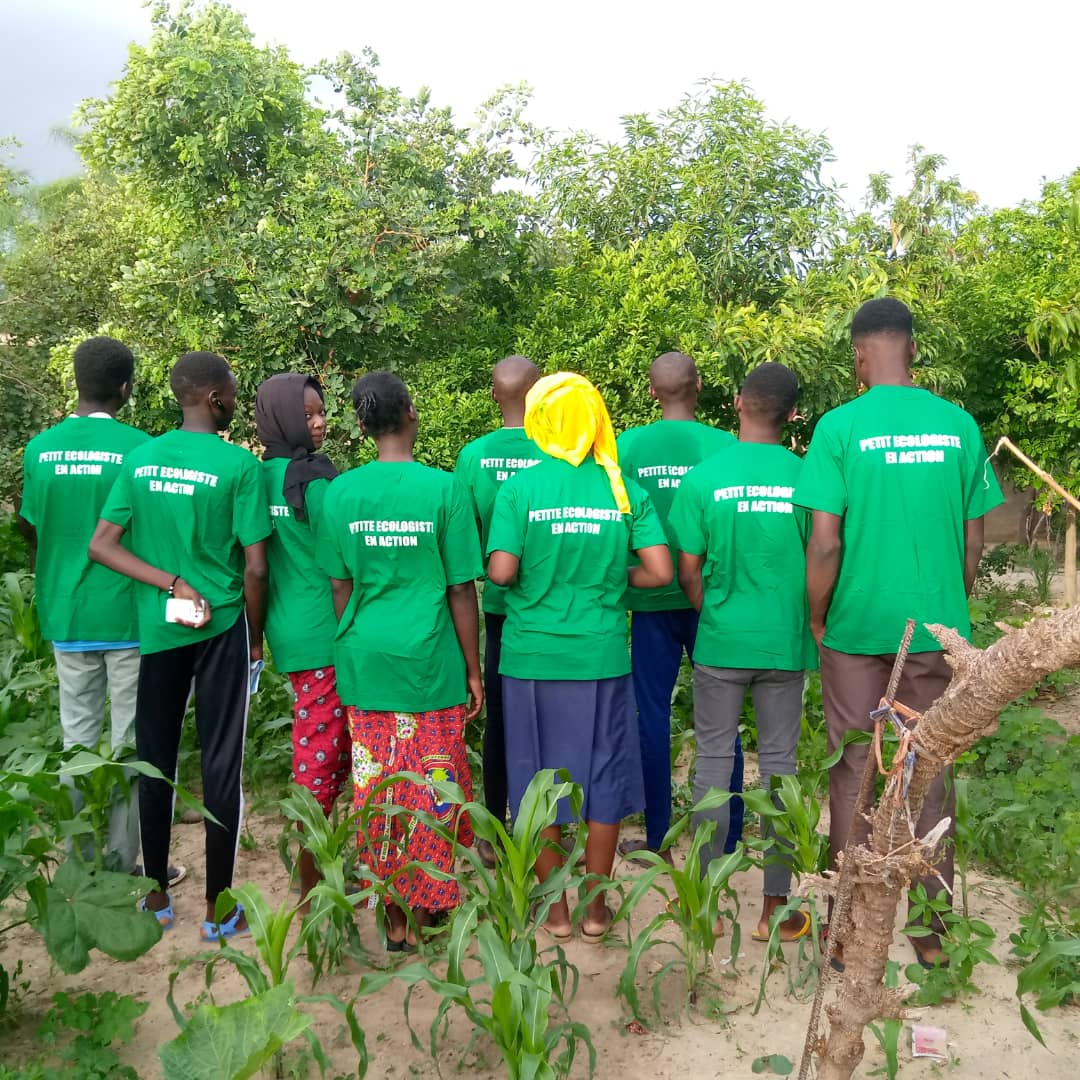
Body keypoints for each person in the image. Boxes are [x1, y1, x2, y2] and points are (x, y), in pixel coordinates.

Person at [795, 298, 1003, 967]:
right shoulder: (959, 426)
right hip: (936, 630)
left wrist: (818, 614)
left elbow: (825, 542)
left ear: (860, 355)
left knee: (856, 768)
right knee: (929, 768)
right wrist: (949, 608)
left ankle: (850, 928)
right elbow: (975, 537)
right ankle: (933, 930)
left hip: (857, 631)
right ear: (911, 348)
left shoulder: (839, 428)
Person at [89, 351, 270, 940]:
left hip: (160, 629)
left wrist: (169, 583)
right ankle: (220, 911)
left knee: (155, 759)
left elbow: (103, 546)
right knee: (222, 764)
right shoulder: (238, 466)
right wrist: (256, 639)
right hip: (220, 629)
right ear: (216, 399)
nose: (236, 402)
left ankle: (156, 900)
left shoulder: (141, 460)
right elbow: (257, 568)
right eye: (234, 394)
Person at [487, 372, 672, 942]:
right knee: (604, 780)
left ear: (541, 422)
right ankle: (596, 912)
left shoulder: (520, 488)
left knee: (536, 779)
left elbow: (501, 571)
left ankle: (558, 914)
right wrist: (614, 580)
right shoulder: (621, 488)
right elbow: (661, 572)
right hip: (600, 657)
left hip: (532, 659)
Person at [317, 371, 483, 950]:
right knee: (437, 779)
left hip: (365, 660)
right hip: (430, 661)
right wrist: (473, 667)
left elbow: (341, 587)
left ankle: (391, 914)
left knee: (378, 786)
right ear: (412, 414)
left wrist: (353, 638)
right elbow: (462, 589)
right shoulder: (444, 490)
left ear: (362, 427)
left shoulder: (339, 494)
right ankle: (431, 907)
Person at [18, 337, 189, 882]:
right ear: (125, 387)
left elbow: (31, 525)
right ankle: (123, 862)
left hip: (66, 613)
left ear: (75, 381)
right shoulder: (140, 451)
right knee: (130, 743)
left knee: (77, 739)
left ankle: (80, 864)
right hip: (128, 615)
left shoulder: (39, 449)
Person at [669, 362, 816, 941]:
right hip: (785, 642)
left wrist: (715, 610)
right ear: (793, 415)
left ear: (736, 404)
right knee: (780, 766)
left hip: (721, 639)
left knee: (711, 764)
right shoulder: (810, 479)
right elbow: (824, 559)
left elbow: (688, 570)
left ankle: (703, 897)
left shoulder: (705, 479)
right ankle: (775, 910)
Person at [616, 351, 745, 863]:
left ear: (652, 391)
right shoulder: (726, 447)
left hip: (648, 598)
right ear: (699, 385)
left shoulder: (627, 447)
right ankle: (727, 836)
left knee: (651, 714)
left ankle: (656, 838)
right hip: (709, 598)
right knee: (722, 718)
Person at [255, 373, 345, 905]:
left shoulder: (254, 477)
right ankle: (313, 882)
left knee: (321, 748)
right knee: (323, 759)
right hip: (327, 632)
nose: (318, 422)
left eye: (321, 412)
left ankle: (321, 869)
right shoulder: (316, 483)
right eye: (308, 413)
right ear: (285, 416)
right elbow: (345, 565)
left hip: (287, 631)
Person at [454, 355, 543, 865]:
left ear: (493, 396)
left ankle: (491, 828)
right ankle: (546, 826)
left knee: (501, 717)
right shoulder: (559, 451)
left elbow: (465, 544)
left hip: (500, 606)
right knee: (548, 717)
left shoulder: (473, 457)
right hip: (551, 608)